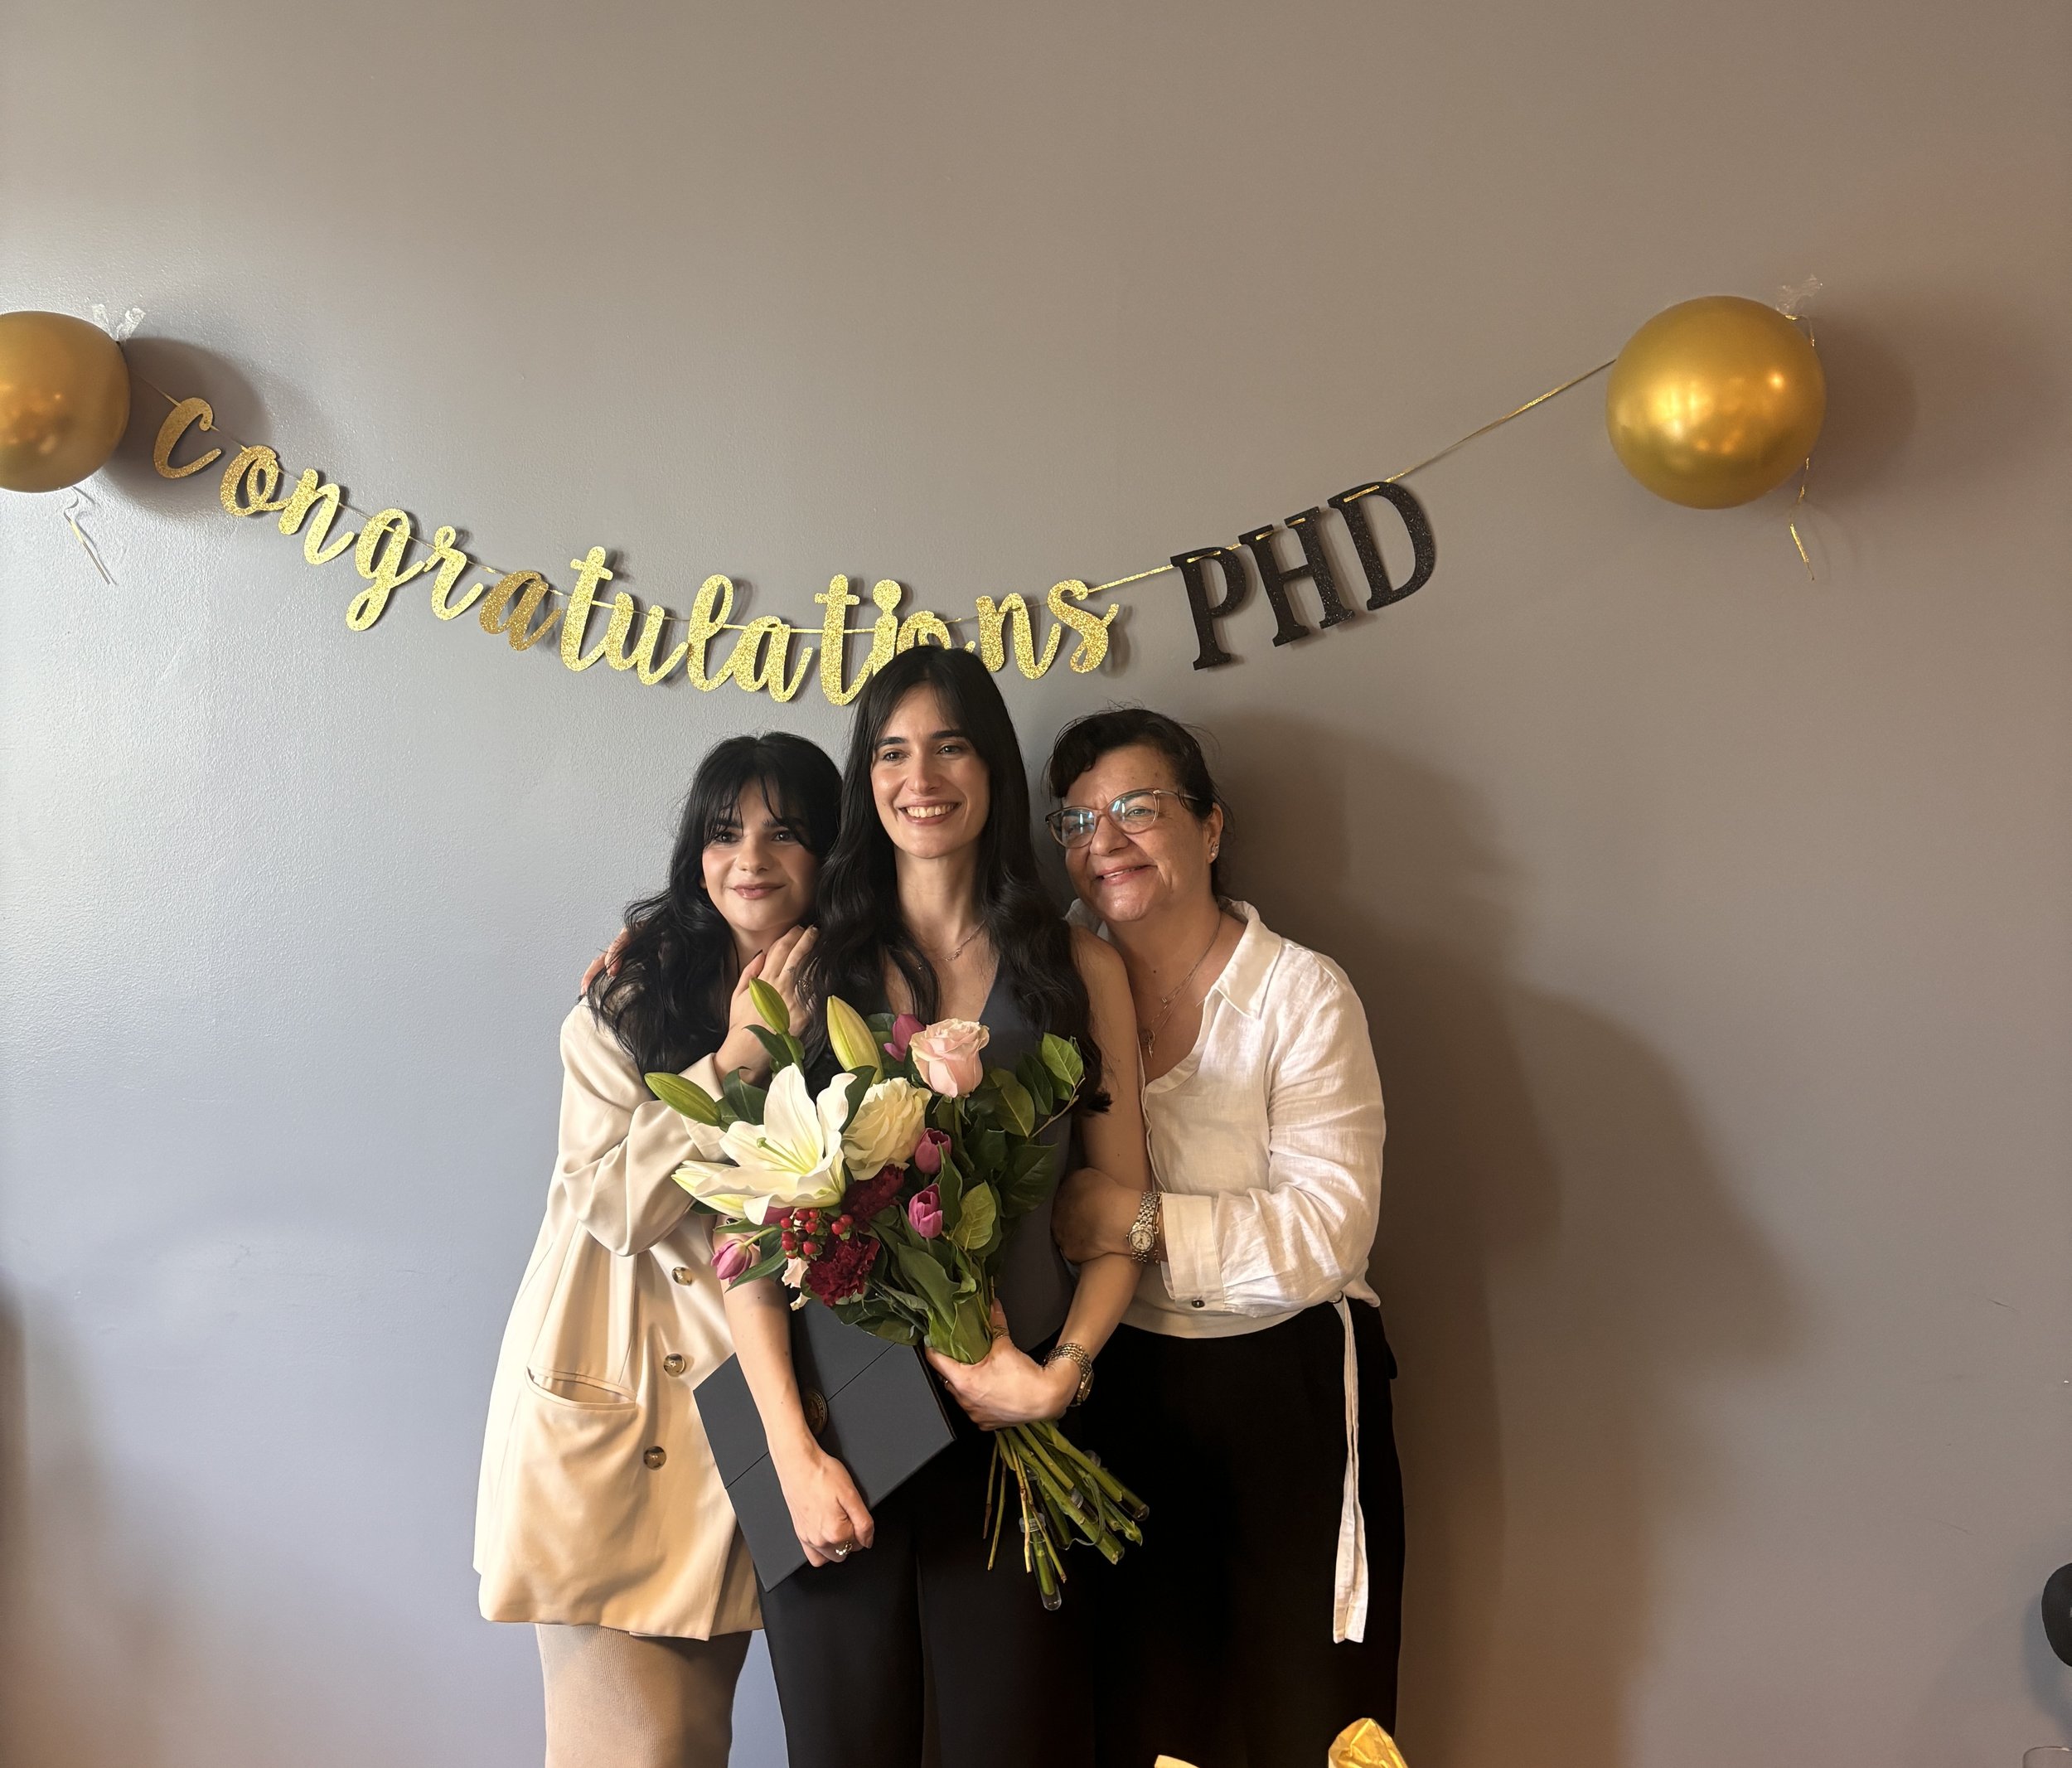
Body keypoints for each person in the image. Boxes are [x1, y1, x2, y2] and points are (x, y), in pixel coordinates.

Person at [722, 647, 1150, 1768]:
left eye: (951, 744)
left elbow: (1118, 1206)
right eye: (893, 751)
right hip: (840, 1430)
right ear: (867, 778)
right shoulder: (809, 969)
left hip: (1013, 1428)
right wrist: (793, 1451)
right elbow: (748, 1238)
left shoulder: (1076, 964)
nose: (923, 776)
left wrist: (1062, 1375)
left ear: (993, 767)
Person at [1044, 707, 1404, 1768]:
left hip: (1287, 1390)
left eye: (1136, 810)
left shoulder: (1301, 994)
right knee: (1154, 1714)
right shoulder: (1058, 999)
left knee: (1304, 1713)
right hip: (1127, 1388)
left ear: (1210, 828)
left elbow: (1329, 1231)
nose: (1101, 840)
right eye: (1074, 820)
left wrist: (1138, 1223)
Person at [475, 733, 841, 1768]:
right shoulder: (628, 1006)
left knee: (691, 1740)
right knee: (637, 1752)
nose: (751, 859)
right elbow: (613, 1209)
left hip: (763, 1424)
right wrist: (733, 1061)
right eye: (725, 833)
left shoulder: (853, 994)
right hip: (625, 1421)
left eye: (785, 833)